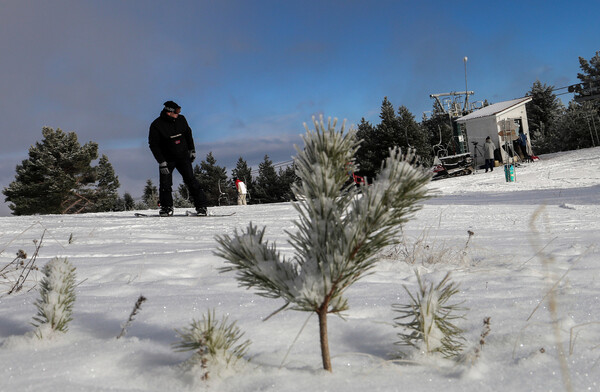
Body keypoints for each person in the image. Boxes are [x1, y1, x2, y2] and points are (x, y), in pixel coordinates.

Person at [148, 100, 208, 216]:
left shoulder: (181, 119)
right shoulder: (156, 125)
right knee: (165, 185)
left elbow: (188, 134)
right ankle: (166, 208)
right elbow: (153, 145)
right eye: (176, 111)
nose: (178, 113)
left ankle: (201, 207)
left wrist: (192, 150)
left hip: (183, 157)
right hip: (167, 160)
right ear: (169, 112)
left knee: (191, 181)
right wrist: (161, 162)